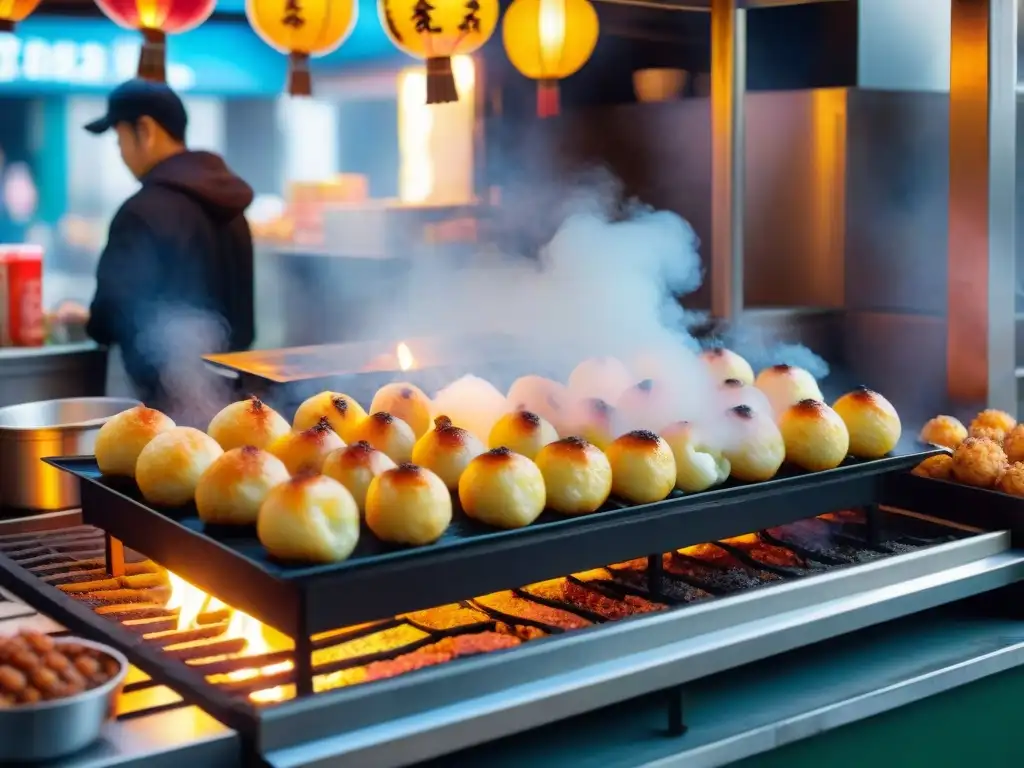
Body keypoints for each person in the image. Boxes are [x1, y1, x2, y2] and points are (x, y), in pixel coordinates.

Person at [82, 79, 255, 416]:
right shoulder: (231, 207)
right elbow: (244, 322)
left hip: (159, 411)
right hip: (232, 405)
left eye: (119, 139)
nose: (121, 153)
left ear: (144, 130)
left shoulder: (141, 210)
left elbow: (108, 316)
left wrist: (90, 319)